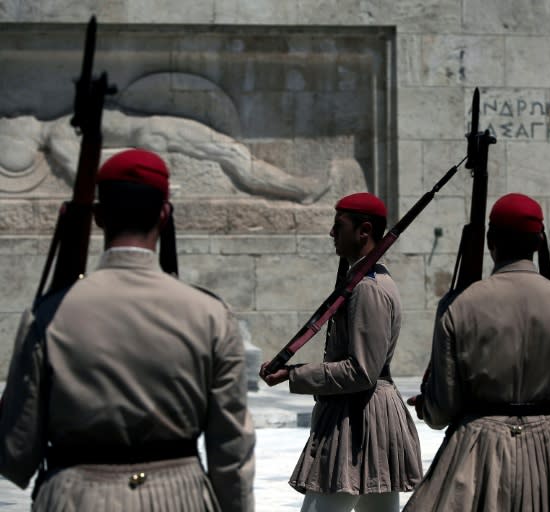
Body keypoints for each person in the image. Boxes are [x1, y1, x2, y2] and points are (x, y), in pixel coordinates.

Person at [0, 149, 255, 511]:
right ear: (164, 215)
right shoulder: (211, 315)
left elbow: (16, 456)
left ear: (100, 217)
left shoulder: (48, 314)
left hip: (75, 497)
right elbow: (232, 450)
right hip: (177, 496)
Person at [404, 193, 550, 512]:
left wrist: (427, 407)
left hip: (475, 455)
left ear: (491, 240)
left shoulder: (458, 306)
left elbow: (443, 411)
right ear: (538, 242)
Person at [260, 192, 422, 512]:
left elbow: (361, 371)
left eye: (339, 225)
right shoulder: (364, 280)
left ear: (364, 231)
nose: (332, 233)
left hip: (359, 417)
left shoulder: (368, 288)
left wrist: (294, 374)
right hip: (362, 410)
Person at [0, 111, 327, 203]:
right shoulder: (58, 132)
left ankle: (298, 188)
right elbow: (86, 171)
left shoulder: (61, 124)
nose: (18, 116)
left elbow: (84, 169)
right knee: (233, 155)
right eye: (15, 122)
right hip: (154, 133)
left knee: (232, 155)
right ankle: (299, 189)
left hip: (154, 131)